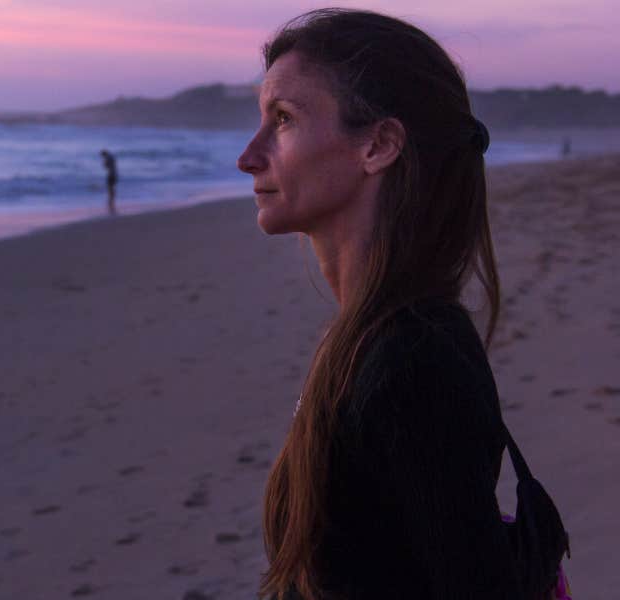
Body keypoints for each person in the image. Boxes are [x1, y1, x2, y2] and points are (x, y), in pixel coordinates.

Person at [236, 9, 569, 600]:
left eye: (283, 120)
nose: (249, 155)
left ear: (380, 145)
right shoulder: (374, 339)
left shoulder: (412, 361)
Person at [100, 149, 118, 213]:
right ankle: (111, 200)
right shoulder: (112, 156)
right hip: (115, 174)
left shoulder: (108, 158)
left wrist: (104, 163)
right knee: (112, 187)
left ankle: (110, 200)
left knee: (110, 187)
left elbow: (105, 166)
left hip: (111, 174)